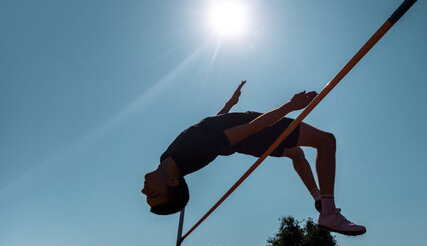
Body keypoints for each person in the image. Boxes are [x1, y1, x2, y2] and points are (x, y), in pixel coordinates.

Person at [142, 81, 366, 236]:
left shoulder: (167, 157)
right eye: (153, 193)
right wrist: (291, 105)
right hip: (258, 133)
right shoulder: (190, 156)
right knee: (326, 142)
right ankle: (328, 213)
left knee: (296, 153)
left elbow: (207, 127)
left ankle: (318, 198)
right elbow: (252, 128)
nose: (144, 190)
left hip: (252, 138)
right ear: (173, 182)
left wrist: (230, 104)